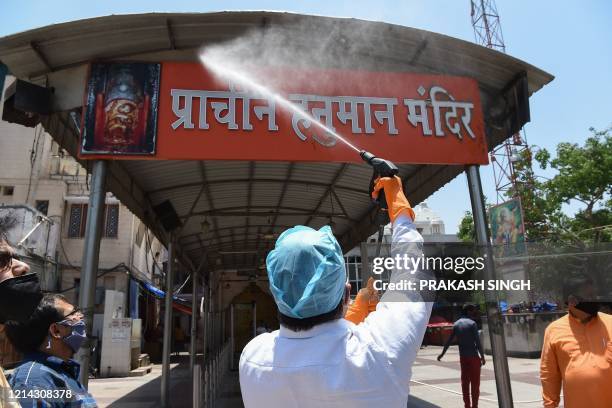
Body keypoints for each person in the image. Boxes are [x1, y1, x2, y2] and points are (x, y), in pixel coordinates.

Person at [239, 176, 433, 407]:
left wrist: (351, 317)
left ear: (277, 294)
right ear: (346, 295)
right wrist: (399, 207)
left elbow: (311, 352)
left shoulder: (253, 357)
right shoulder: (377, 350)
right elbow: (415, 274)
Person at [5, 294, 98, 407]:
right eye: (74, 313)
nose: (80, 317)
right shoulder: (34, 381)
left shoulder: (58, 372)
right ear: (56, 331)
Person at [540, 274, 612, 408]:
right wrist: (550, 405)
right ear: (572, 301)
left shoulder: (610, 324)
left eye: (595, 297)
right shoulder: (554, 330)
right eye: (589, 298)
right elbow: (549, 374)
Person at [437, 304, 486, 408]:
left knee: (465, 383)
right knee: (475, 384)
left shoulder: (456, 324)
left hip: (463, 358)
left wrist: (442, 354)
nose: (474, 312)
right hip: (473, 357)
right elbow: (477, 342)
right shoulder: (472, 324)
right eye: (472, 310)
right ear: (468, 311)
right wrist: (482, 356)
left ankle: (467, 406)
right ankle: (475, 406)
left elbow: (449, 341)